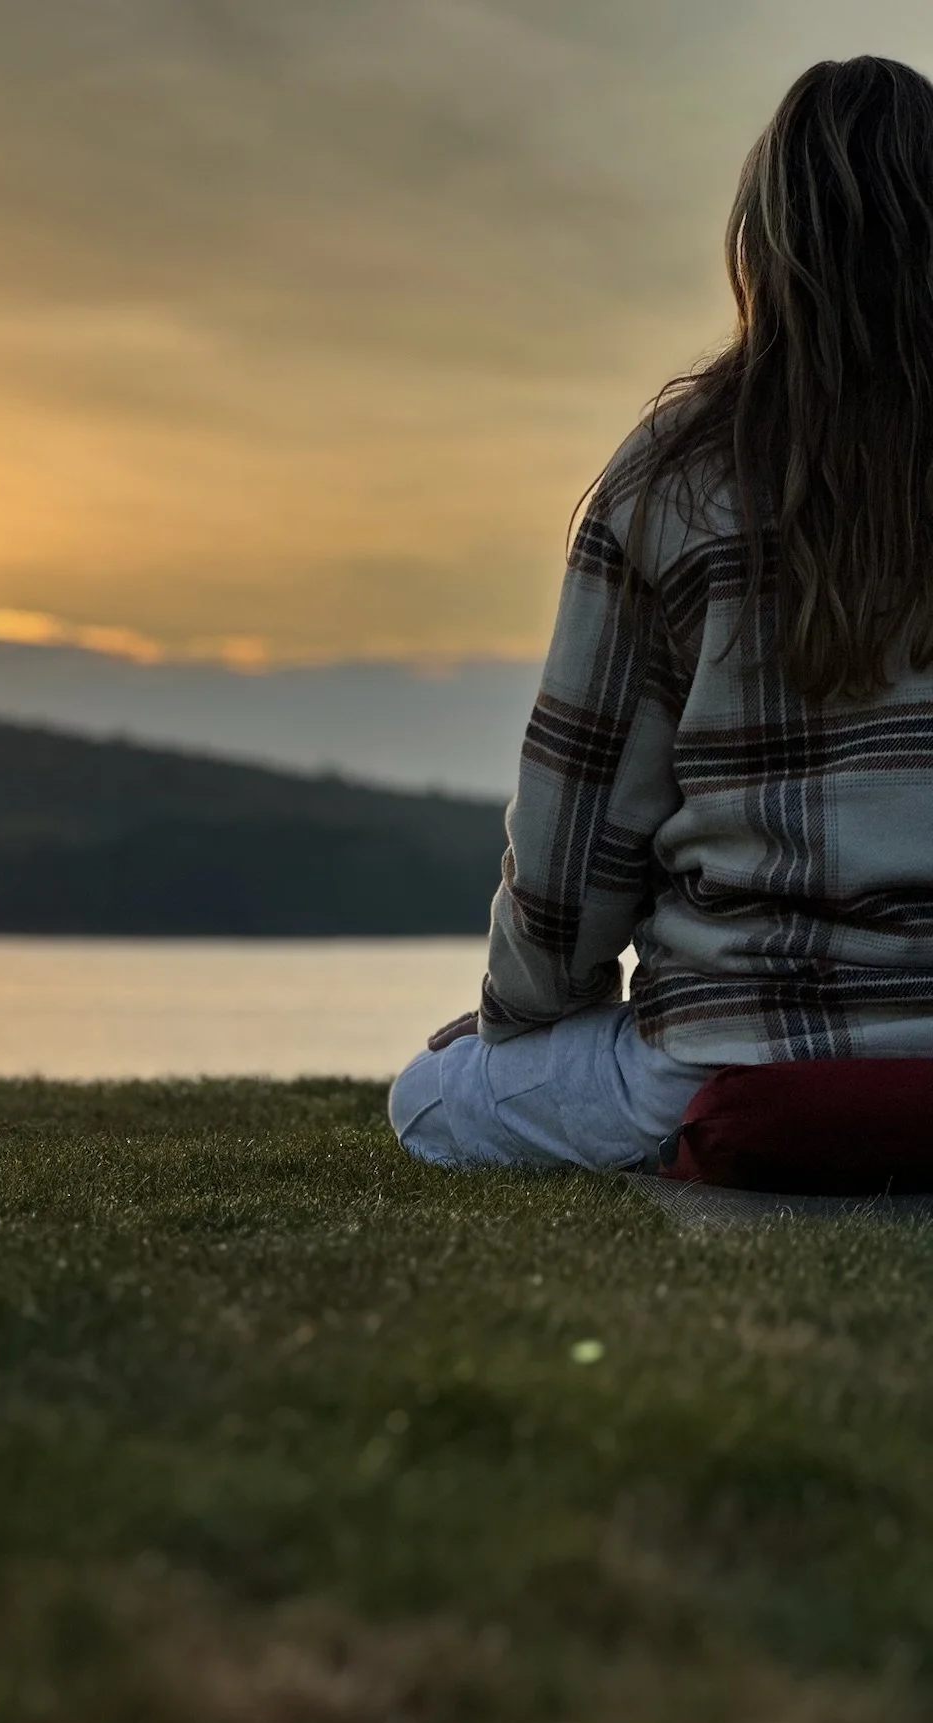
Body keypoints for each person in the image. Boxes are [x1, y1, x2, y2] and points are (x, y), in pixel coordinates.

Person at [390, 55, 933, 1173]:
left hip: (736, 1049)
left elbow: (574, 840)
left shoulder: (673, 478)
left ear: (770, 243)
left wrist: (528, 1015)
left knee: (431, 1098)